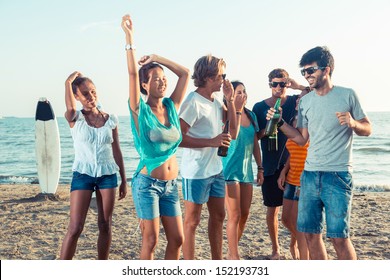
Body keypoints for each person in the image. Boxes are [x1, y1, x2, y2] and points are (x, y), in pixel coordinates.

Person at [269, 46, 372, 260]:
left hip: (337, 175)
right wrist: (279, 122)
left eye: (311, 70)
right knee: (310, 235)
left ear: (327, 69)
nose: (307, 76)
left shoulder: (347, 94)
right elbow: (301, 138)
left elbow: (367, 128)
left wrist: (353, 123)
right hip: (309, 175)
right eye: (304, 72)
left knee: (339, 238)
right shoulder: (305, 101)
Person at [121, 14, 190, 260]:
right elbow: (131, 74)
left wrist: (157, 58)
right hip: (147, 184)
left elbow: (185, 74)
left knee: (178, 239)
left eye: (163, 79)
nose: (162, 82)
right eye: (156, 79)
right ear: (144, 86)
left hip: (171, 185)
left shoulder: (172, 105)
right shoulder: (139, 110)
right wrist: (130, 39)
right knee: (150, 241)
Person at [178, 54, 240, 260]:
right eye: (221, 75)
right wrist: (211, 142)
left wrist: (230, 100)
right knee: (192, 221)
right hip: (195, 172)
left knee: (219, 216)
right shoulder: (193, 102)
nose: (224, 79)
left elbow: (234, 129)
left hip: (216, 170)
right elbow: (178, 139)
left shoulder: (214, 102)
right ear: (208, 76)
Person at [60, 71, 128, 260]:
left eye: (93, 91)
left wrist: (124, 180)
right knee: (75, 228)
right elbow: (69, 106)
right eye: (85, 93)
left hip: (108, 175)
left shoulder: (111, 119)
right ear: (77, 97)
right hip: (83, 174)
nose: (91, 96)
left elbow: (117, 150)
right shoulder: (75, 117)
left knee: (105, 224)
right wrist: (68, 81)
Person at [252, 68, 307, 260]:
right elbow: (254, 137)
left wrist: (297, 85)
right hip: (269, 165)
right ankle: (276, 249)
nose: (278, 88)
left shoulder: (294, 101)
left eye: (282, 84)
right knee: (272, 209)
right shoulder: (259, 107)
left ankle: (295, 245)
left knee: (293, 212)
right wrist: (268, 129)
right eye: (274, 84)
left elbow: (310, 92)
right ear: (269, 85)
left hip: (290, 164)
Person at [222, 81, 264, 260]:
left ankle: (233, 249)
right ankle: (234, 256)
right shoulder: (226, 113)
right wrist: (235, 108)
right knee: (234, 214)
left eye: (244, 92)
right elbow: (233, 134)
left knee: (245, 213)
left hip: (246, 171)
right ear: (231, 95)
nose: (242, 95)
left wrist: (260, 167)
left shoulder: (252, 116)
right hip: (229, 169)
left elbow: (255, 144)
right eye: (238, 92)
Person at [277, 87, 310, 260]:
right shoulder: (292, 120)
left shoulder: (311, 122)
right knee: (285, 219)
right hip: (291, 178)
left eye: (302, 98)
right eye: (298, 98)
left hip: (304, 180)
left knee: (298, 223)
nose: (298, 101)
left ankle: (305, 260)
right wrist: (284, 171)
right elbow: (292, 151)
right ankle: (296, 242)